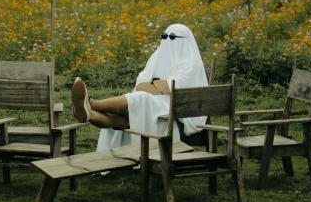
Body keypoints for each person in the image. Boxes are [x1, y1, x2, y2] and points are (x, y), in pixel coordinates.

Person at [71, 23, 208, 150]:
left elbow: (172, 87)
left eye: (172, 37)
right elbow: (140, 84)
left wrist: (154, 84)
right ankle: (89, 114)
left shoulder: (190, 63)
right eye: (164, 36)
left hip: (180, 109)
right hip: (157, 103)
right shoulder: (157, 56)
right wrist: (160, 86)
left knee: (140, 99)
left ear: (184, 40)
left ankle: (91, 104)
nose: (167, 40)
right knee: (127, 114)